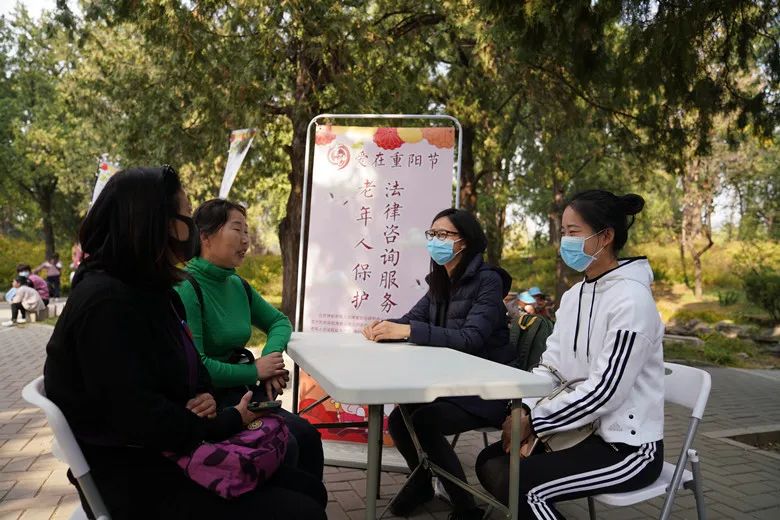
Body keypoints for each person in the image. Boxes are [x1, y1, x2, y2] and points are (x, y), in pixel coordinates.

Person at [43, 166, 327, 519]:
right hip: (139, 474)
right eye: (185, 215)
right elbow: (140, 417)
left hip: (177, 446)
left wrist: (203, 393)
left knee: (309, 487)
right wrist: (228, 419)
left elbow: (190, 367)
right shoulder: (105, 304)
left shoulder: (153, 291)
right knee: (303, 510)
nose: (191, 227)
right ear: (155, 223)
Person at [475, 190, 665, 519]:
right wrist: (524, 409)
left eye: (574, 232)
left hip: (628, 447)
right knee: (489, 462)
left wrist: (535, 423)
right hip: (577, 431)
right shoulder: (575, 295)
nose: (565, 241)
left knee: (522, 485)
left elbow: (605, 391)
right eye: (563, 232)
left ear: (605, 236)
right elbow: (550, 366)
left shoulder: (633, 301)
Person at [362, 208, 513, 520]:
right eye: (432, 234)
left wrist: (407, 331)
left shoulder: (488, 282)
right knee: (399, 418)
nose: (435, 240)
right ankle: (421, 484)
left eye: (443, 234)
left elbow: (470, 338)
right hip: (452, 383)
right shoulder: (441, 281)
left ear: (465, 241)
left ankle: (466, 507)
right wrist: (383, 327)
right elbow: (410, 321)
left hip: (488, 388)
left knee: (424, 421)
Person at [175, 198, 324, 480]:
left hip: (241, 391)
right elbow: (198, 366)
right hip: (210, 401)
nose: (246, 240)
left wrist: (270, 360)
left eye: (247, 231)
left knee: (307, 437)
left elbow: (279, 321)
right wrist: (255, 371)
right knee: (288, 443)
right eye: (237, 229)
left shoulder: (236, 284)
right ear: (205, 236)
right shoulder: (186, 287)